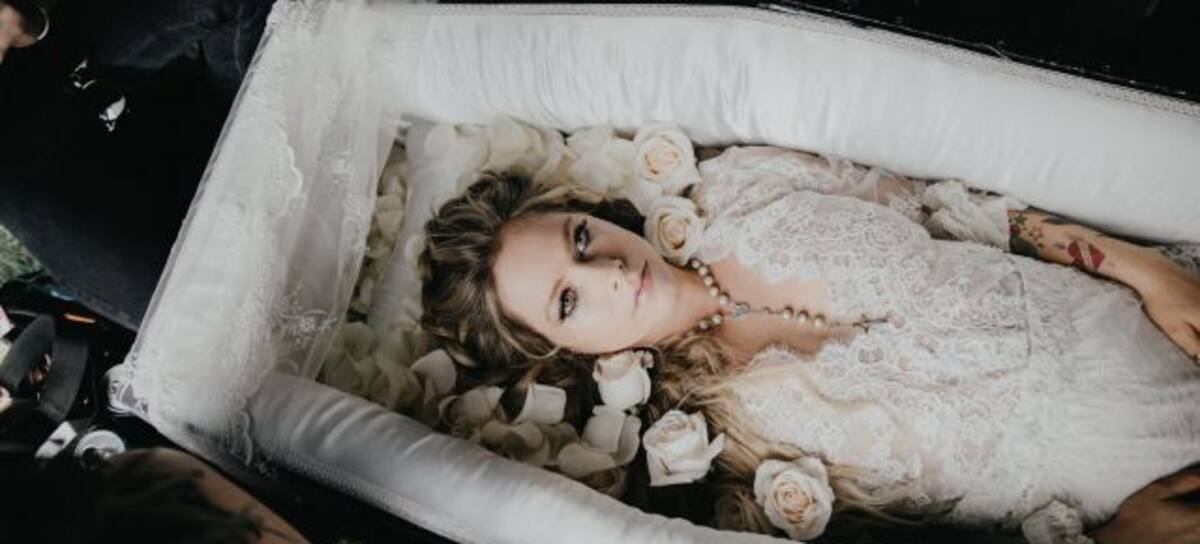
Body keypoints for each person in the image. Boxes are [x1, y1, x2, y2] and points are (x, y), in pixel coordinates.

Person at [417, 146, 1200, 543]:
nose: (610, 272)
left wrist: (1144, 269)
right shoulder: (704, 458)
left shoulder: (739, 187)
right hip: (1152, 499)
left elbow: (956, 206)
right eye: (568, 299)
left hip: (1148, 317)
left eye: (580, 239)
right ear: (562, 353)